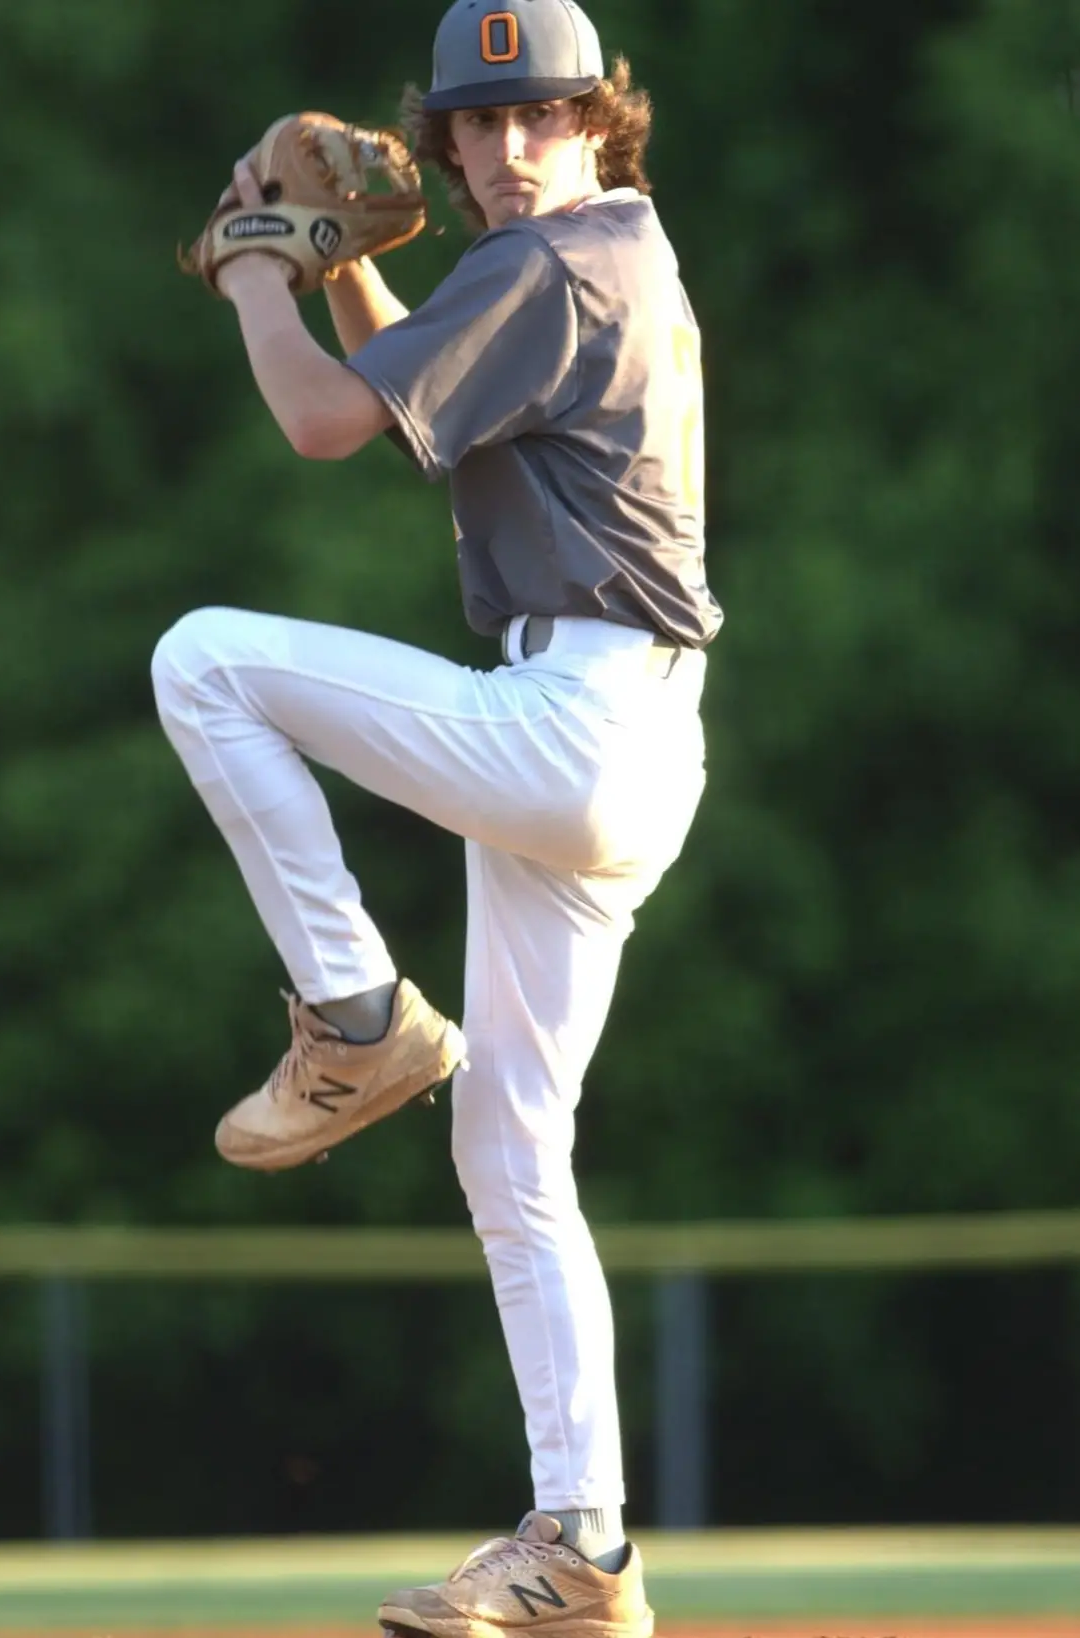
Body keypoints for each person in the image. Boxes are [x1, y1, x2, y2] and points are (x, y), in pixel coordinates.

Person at [152, 0, 723, 1632]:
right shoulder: (602, 256)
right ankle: (583, 1545)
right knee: (512, 1145)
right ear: (454, 141)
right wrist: (343, 271)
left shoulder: (552, 263)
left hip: (573, 721)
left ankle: (354, 1014)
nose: (505, 147)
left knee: (204, 661)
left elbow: (323, 421)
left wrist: (257, 271)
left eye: (540, 114)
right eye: (478, 121)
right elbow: (413, 399)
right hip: (623, 742)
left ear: (597, 123)